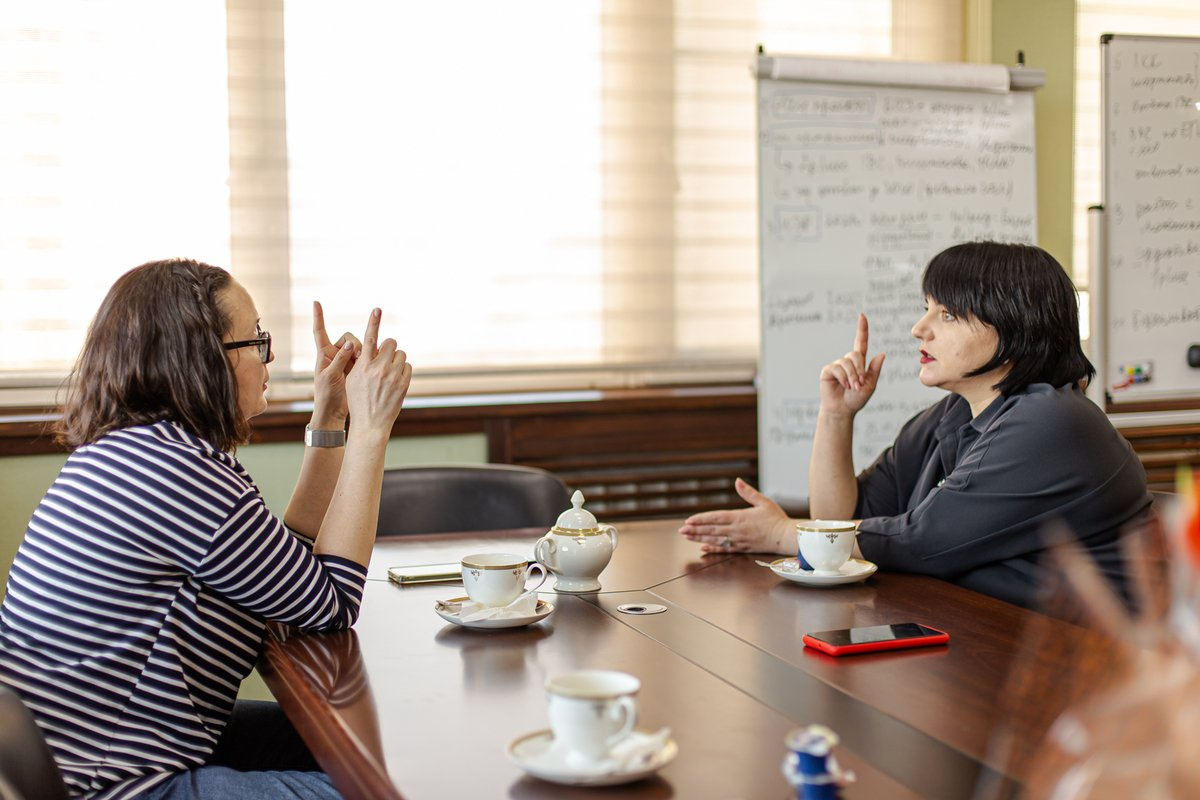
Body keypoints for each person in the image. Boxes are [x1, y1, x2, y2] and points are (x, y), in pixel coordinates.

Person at [0, 259, 412, 799]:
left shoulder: (136, 451)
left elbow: (289, 568)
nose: (270, 355)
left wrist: (332, 418)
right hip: (121, 784)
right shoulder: (176, 471)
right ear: (203, 358)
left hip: (108, 753)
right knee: (392, 787)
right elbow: (331, 601)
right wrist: (372, 430)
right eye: (256, 340)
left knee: (383, 753)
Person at [680, 241, 1152, 609]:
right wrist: (836, 415)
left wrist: (783, 535)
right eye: (927, 307)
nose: (919, 328)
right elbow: (840, 520)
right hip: (984, 635)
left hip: (1082, 664)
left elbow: (924, 541)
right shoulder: (953, 414)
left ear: (1013, 328)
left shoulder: (1053, 421)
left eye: (946, 313)